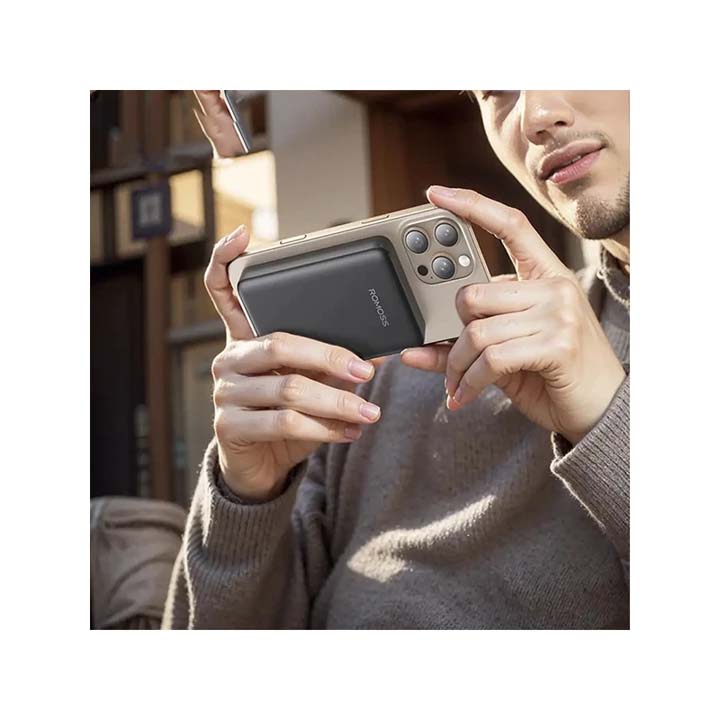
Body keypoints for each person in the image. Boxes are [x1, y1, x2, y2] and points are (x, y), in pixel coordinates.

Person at [163, 90, 629, 629]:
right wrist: (247, 498)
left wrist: (611, 426)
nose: (535, 118)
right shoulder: (390, 381)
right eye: (493, 89)